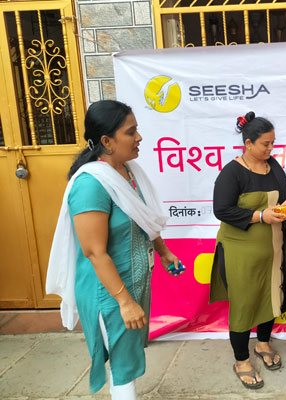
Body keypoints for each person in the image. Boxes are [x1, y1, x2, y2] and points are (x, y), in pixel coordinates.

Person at [45, 100, 184, 399]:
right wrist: (124, 301)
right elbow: (94, 252)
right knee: (123, 365)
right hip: (109, 292)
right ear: (107, 141)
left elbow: (143, 218)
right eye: (130, 132)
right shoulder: (91, 185)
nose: (139, 138)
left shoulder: (128, 172)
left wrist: (163, 251)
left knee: (128, 354)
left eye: (137, 130)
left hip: (132, 284)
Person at [210, 112, 286, 389]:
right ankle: (241, 360)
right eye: (265, 144)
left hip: (274, 249)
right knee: (244, 304)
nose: (270, 149)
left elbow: (281, 201)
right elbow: (222, 210)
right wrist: (260, 216)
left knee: (271, 296)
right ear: (248, 143)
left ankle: (263, 343)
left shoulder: (273, 166)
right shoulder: (232, 172)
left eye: (273, 143)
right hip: (241, 253)